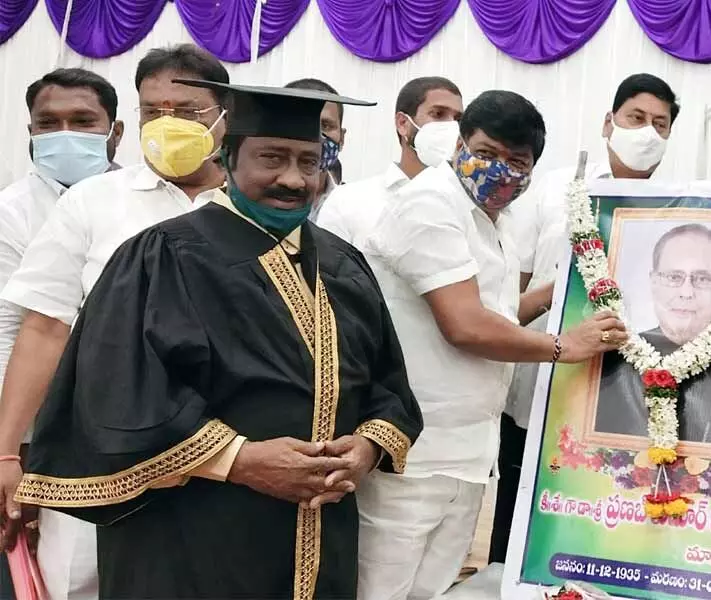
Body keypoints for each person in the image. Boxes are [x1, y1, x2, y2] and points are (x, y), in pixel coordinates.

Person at [13, 79, 422, 599]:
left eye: (308, 162)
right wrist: (241, 460)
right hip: (191, 536)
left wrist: (367, 446)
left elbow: (390, 385)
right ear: (227, 158)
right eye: (271, 158)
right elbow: (115, 395)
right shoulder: (163, 255)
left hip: (321, 536)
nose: (293, 179)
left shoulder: (344, 265)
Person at [357, 90, 628, 600]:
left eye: (516, 161)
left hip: (468, 453)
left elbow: (501, 316)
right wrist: (563, 346)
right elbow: (465, 324)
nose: (499, 169)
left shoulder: (490, 221)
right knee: (380, 592)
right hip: (415, 450)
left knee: (430, 591)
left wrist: (572, 280)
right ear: (460, 143)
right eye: (487, 152)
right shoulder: (430, 204)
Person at [0, 44, 229, 600]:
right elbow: (43, 328)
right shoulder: (92, 204)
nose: (168, 125)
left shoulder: (247, 208)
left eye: (187, 112)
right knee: (78, 584)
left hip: (222, 454)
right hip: (93, 451)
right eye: (154, 111)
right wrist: (8, 450)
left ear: (226, 117)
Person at [489, 72, 679, 563]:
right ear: (608, 123)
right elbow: (514, 288)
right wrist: (568, 284)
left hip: (626, 395)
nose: (647, 133)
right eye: (636, 118)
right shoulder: (553, 191)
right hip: (541, 381)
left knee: (594, 514)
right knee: (517, 514)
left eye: (660, 124)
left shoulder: (680, 204)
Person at [0, 66, 122, 600]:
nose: (64, 133)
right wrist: (15, 448)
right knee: (64, 577)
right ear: (29, 132)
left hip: (142, 426)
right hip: (49, 434)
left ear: (114, 131)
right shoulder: (10, 213)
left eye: (82, 120)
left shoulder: (138, 197)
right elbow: (12, 333)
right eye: (48, 123)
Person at [597, 224, 711, 445]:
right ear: (653, 282)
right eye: (674, 277)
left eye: (702, 279)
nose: (686, 292)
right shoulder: (609, 357)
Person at [315, 76, 463, 246]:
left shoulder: (469, 205)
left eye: (458, 119)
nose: (452, 127)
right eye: (438, 114)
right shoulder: (348, 202)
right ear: (403, 123)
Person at [285, 77, 345, 220]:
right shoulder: (260, 200)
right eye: (302, 124)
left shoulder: (352, 208)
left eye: (326, 126)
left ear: (342, 138)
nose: (315, 135)